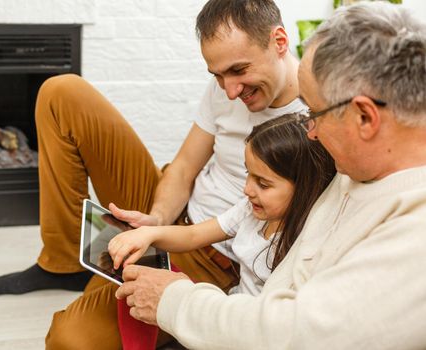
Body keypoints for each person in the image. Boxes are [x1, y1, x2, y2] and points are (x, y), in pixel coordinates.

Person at [0, 0, 304, 348]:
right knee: (62, 93)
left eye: (239, 71)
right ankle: (62, 264)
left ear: (280, 41)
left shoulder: (316, 121)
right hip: (171, 211)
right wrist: (156, 219)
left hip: (216, 254)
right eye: (218, 75)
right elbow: (183, 168)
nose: (229, 90)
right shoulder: (226, 87)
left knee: (69, 340)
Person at [115, 2, 426, 349]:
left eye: (314, 113)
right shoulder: (358, 169)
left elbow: (300, 332)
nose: (310, 132)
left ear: (365, 118)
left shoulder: (413, 231)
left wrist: (174, 300)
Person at [109, 114, 336, 298]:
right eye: (248, 174)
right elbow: (194, 235)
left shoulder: (306, 245)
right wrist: (149, 234)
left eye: (263, 184)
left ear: (305, 187)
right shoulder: (249, 210)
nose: (247, 189)